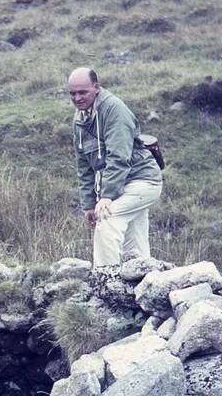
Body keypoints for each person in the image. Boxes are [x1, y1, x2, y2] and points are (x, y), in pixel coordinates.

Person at [69, 67, 163, 267]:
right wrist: (88, 204)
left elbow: (119, 157)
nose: (77, 98)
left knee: (107, 220)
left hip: (142, 181)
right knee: (135, 246)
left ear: (96, 87)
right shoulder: (79, 120)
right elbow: (83, 166)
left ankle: (106, 279)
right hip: (123, 186)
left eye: (82, 92)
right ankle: (143, 282)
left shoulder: (114, 110)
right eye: (72, 93)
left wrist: (106, 197)